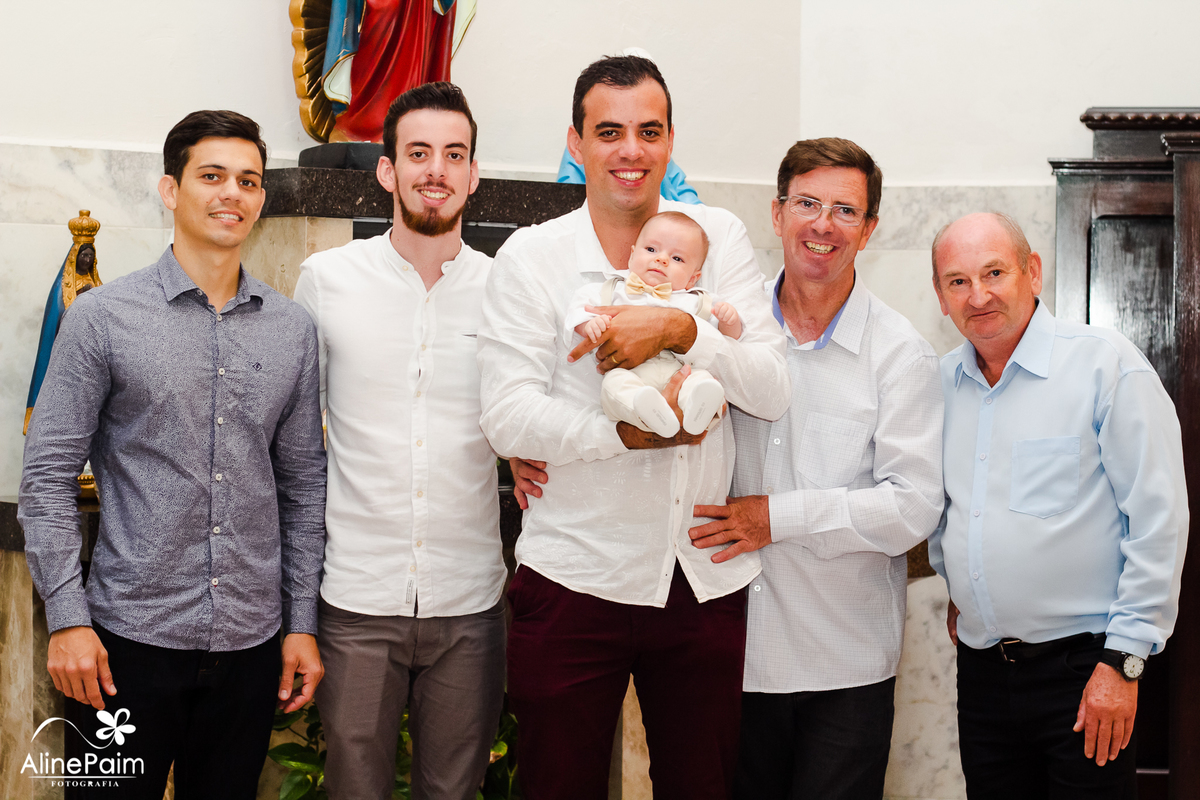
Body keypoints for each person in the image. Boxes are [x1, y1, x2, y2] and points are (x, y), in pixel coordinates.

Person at [479, 55, 789, 799]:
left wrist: (681, 325)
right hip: (573, 575)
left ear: (670, 139)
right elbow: (506, 412)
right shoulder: (534, 257)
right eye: (609, 131)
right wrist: (618, 435)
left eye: (649, 131)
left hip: (698, 578)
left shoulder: (714, 237)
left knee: (701, 785)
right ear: (576, 142)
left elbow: (772, 388)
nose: (630, 150)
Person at [19, 110, 327, 799]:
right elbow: (45, 476)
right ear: (170, 189)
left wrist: (300, 624)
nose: (232, 193)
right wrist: (67, 617)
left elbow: (304, 486)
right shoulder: (103, 318)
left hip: (251, 650)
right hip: (125, 646)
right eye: (211, 175)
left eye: (248, 180)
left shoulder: (293, 331)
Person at [689, 138, 945, 800]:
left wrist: (778, 517)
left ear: (869, 230)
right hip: (726, 659)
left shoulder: (900, 355)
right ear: (776, 215)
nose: (823, 225)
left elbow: (913, 507)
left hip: (846, 669)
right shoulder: (721, 333)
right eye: (806, 203)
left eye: (844, 210)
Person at [293, 82, 506, 800]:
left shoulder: (508, 290)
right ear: (387, 170)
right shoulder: (327, 281)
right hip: (357, 597)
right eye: (418, 153)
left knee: (454, 792)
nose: (436, 170)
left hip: (469, 600)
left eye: (454, 154)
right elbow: (297, 436)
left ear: (474, 174)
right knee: (354, 790)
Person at [928, 212, 1188, 799]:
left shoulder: (1105, 365)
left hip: (1085, 671)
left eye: (994, 272)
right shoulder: (939, 385)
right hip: (984, 674)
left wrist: (1124, 663)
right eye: (958, 281)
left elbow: (1158, 521)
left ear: (1033, 272)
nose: (979, 295)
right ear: (941, 299)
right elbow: (953, 506)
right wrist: (963, 584)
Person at [565, 210, 740, 437]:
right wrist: (590, 325)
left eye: (677, 258)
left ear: (692, 278)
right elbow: (580, 310)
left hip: (680, 370)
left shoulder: (698, 300)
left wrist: (729, 320)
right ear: (631, 256)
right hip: (632, 373)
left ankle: (698, 408)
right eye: (651, 249)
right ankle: (644, 407)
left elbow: (727, 340)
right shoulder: (612, 289)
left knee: (702, 380)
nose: (662, 259)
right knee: (614, 385)